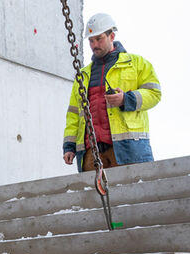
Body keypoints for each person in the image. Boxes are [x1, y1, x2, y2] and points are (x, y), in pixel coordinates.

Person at [63, 12, 161, 172]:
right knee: (93, 197)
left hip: (128, 150)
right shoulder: (83, 75)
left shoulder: (137, 64)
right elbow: (74, 113)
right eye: (91, 41)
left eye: (99, 38)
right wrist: (69, 146)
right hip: (92, 154)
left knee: (133, 195)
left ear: (112, 36)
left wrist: (126, 99)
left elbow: (154, 94)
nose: (95, 45)